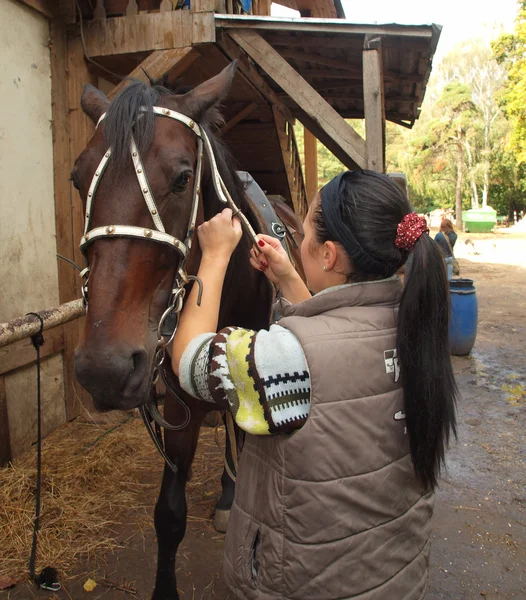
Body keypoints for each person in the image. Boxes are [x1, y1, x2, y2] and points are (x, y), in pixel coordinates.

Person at [171, 170, 457, 600]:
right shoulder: (416, 321)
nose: (297, 244)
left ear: (327, 256)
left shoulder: (287, 359)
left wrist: (213, 257)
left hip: (306, 583)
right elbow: (336, 347)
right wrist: (287, 279)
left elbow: (189, 360)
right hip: (396, 574)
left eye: (303, 234)